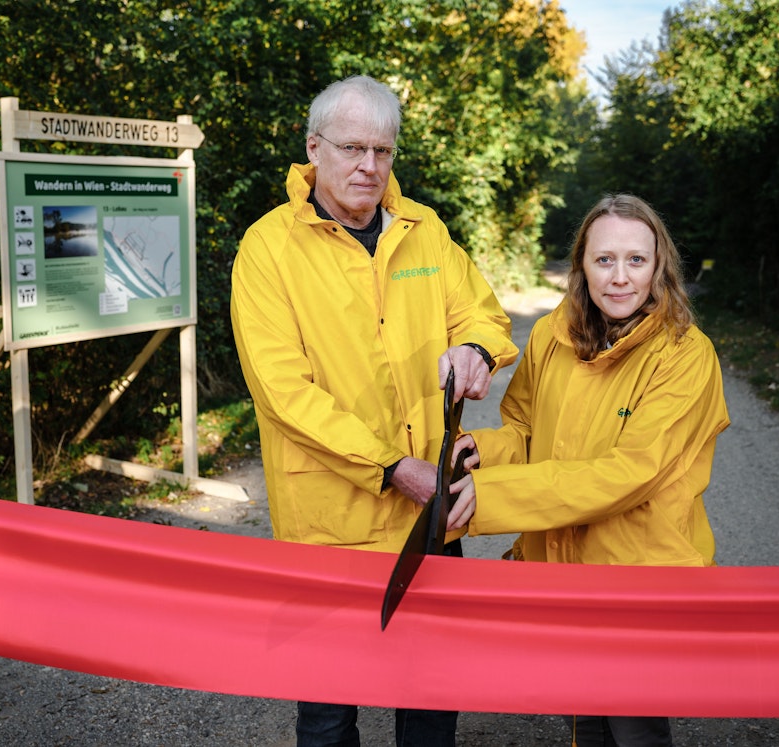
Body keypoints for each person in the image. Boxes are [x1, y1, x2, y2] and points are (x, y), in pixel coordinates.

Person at [230, 75, 518, 746]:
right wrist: (390, 465)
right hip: (329, 526)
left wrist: (476, 346)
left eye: (383, 151)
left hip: (430, 520)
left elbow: (483, 312)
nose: (370, 166)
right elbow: (283, 392)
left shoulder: (424, 229)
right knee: (329, 716)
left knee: (429, 702)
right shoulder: (267, 248)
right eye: (354, 147)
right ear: (314, 148)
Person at [446, 193, 730, 747]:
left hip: (639, 578)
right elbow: (527, 432)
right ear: (580, 266)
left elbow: (630, 474)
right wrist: (479, 450)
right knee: (584, 719)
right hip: (564, 567)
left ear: (659, 266)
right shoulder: (555, 334)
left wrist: (492, 495)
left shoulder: (686, 356)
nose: (619, 277)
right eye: (604, 260)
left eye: (636, 260)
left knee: (633, 725)